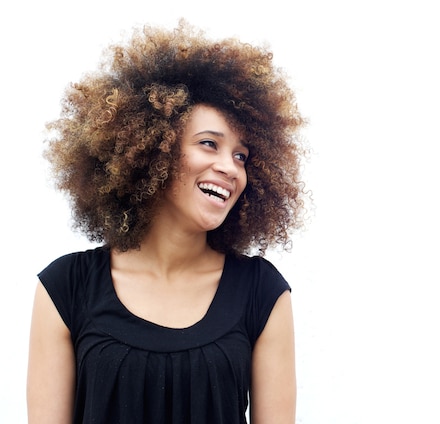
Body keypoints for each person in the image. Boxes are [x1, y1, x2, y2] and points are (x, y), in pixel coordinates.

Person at [27, 20, 308, 424]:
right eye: (209, 143)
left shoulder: (261, 293)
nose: (230, 168)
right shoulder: (66, 288)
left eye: (241, 156)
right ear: (152, 151)